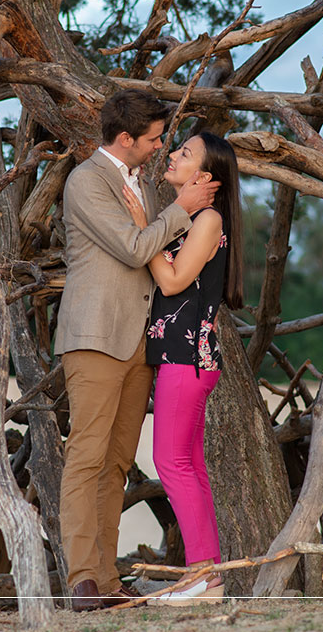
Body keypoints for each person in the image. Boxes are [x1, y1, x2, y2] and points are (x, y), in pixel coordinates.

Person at [55, 89, 218, 612]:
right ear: (125, 139)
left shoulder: (142, 187)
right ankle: (82, 578)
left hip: (139, 345)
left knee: (118, 462)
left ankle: (106, 579)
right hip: (96, 337)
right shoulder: (87, 182)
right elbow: (132, 248)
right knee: (86, 456)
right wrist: (180, 210)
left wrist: (171, 211)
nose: (159, 147)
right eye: (152, 139)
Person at [120, 131, 243, 606]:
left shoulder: (208, 219)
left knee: (172, 464)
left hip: (187, 358)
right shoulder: (191, 219)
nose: (172, 155)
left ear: (206, 178)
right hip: (185, 358)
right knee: (188, 466)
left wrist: (140, 233)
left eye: (185, 153)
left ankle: (203, 579)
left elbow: (172, 282)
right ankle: (207, 577)